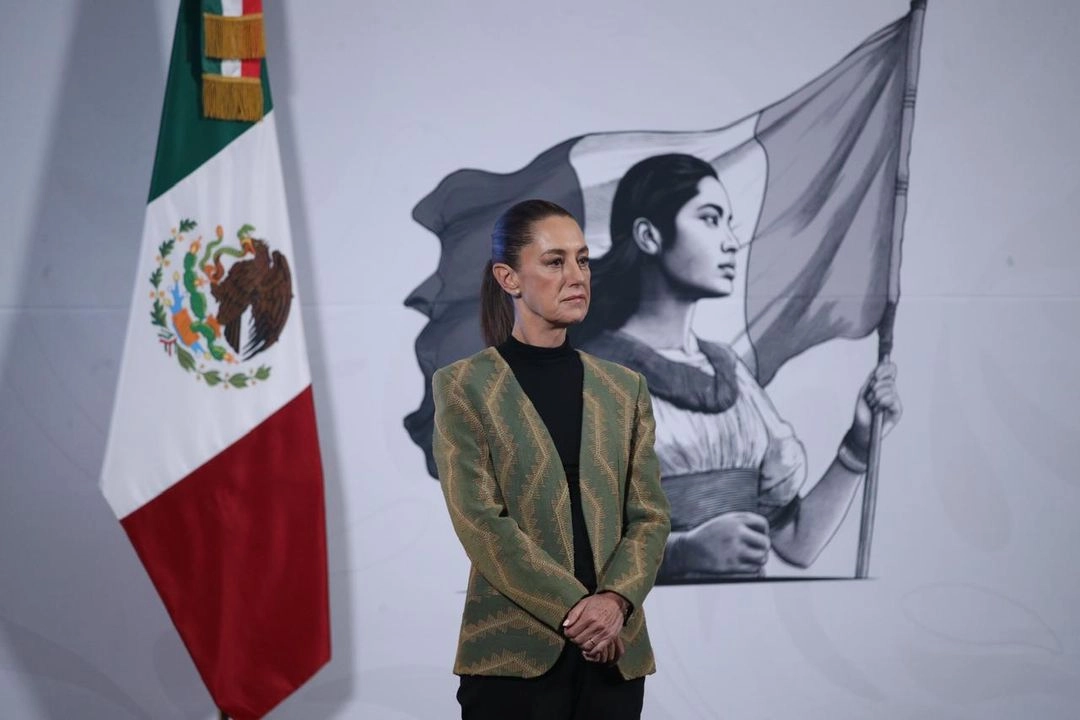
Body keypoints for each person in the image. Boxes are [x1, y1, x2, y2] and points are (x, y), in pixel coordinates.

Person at [573, 153, 902, 582]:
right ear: (648, 236)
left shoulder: (730, 373)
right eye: (710, 219)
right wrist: (680, 553)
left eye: (730, 223)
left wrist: (858, 445)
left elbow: (796, 543)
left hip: (744, 629)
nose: (730, 241)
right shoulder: (590, 377)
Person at [432, 199, 671, 719]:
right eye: (555, 261)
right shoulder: (463, 386)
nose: (577, 275)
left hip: (613, 654)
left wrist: (614, 603)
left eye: (583, 260)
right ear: (509, 277)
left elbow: (650, 516)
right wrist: (576, 610)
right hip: (512, 658)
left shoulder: (625, 389)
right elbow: (480, 521)